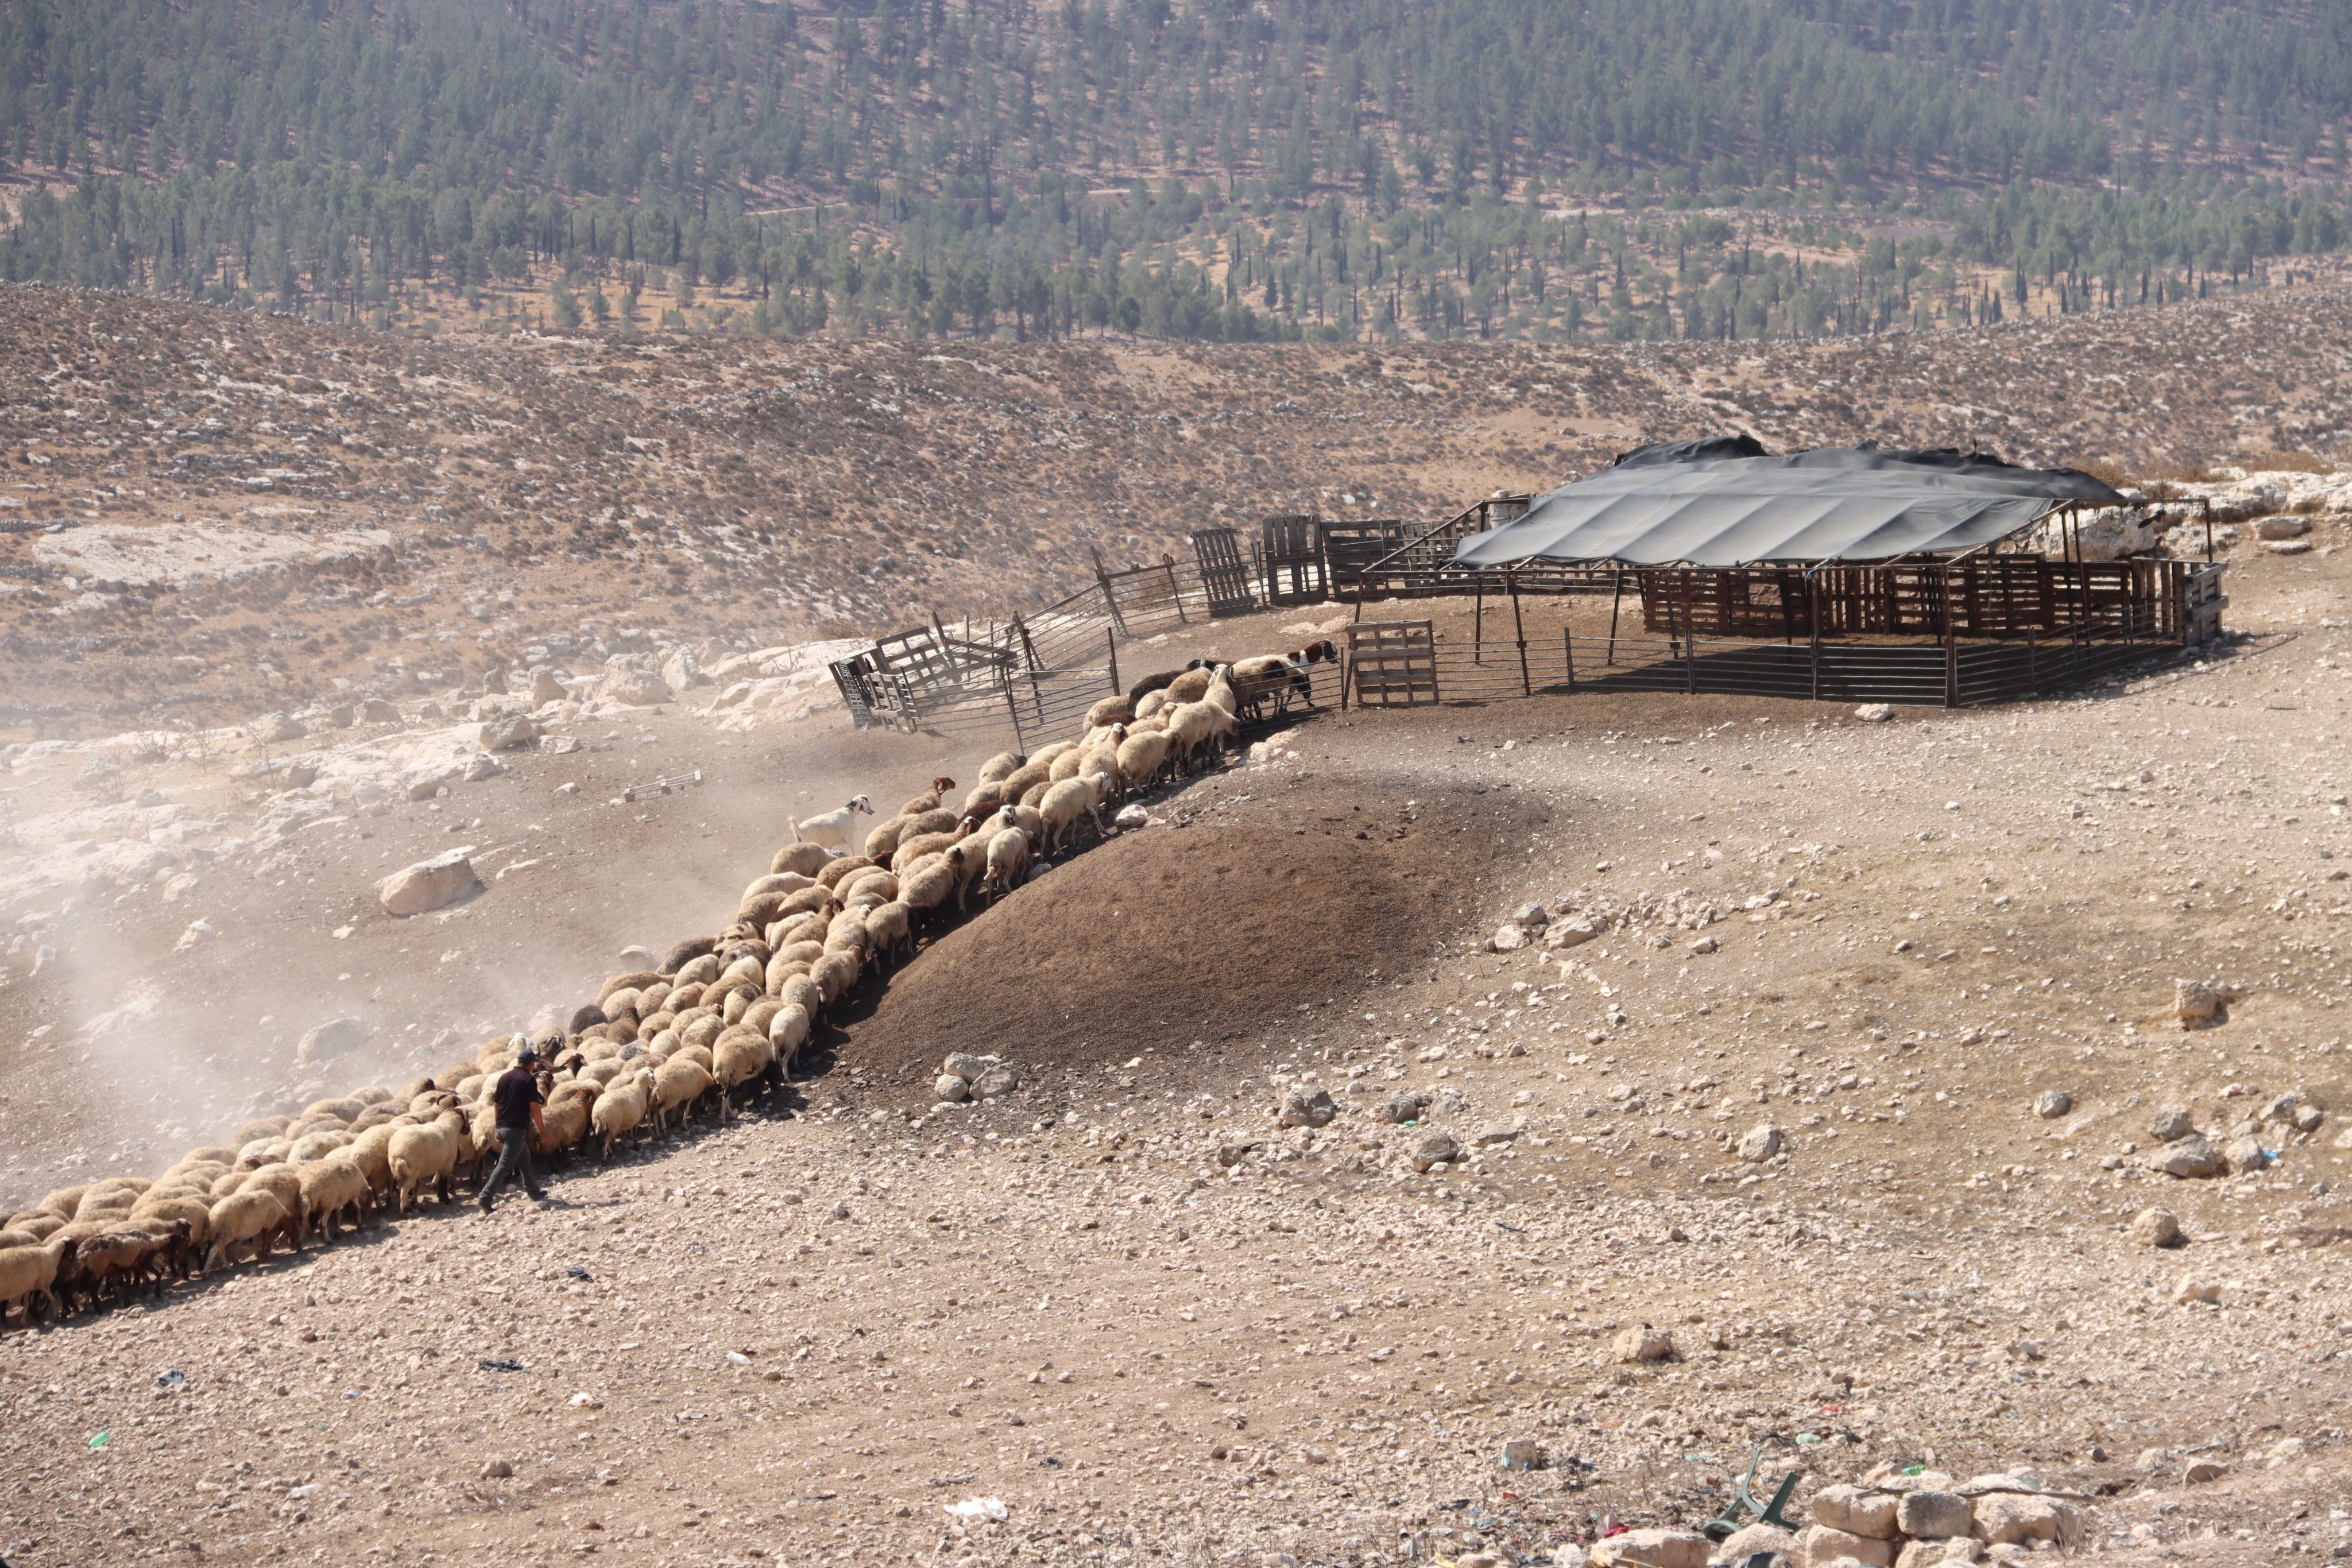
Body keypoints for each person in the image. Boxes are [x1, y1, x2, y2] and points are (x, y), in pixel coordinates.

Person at [477, 1045, 549, 1214]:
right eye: (534, 1064)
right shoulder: (528, 1080)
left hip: (503, 1127)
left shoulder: (505, 1077)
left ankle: (534, 1191)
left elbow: (497, 1105)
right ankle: (485, 1198)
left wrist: (498, 1127)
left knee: (524, 1158)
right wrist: (543, 1131)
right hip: (516, 1129)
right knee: (505, 1165)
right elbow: (535, 1108)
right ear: (531, 1064)